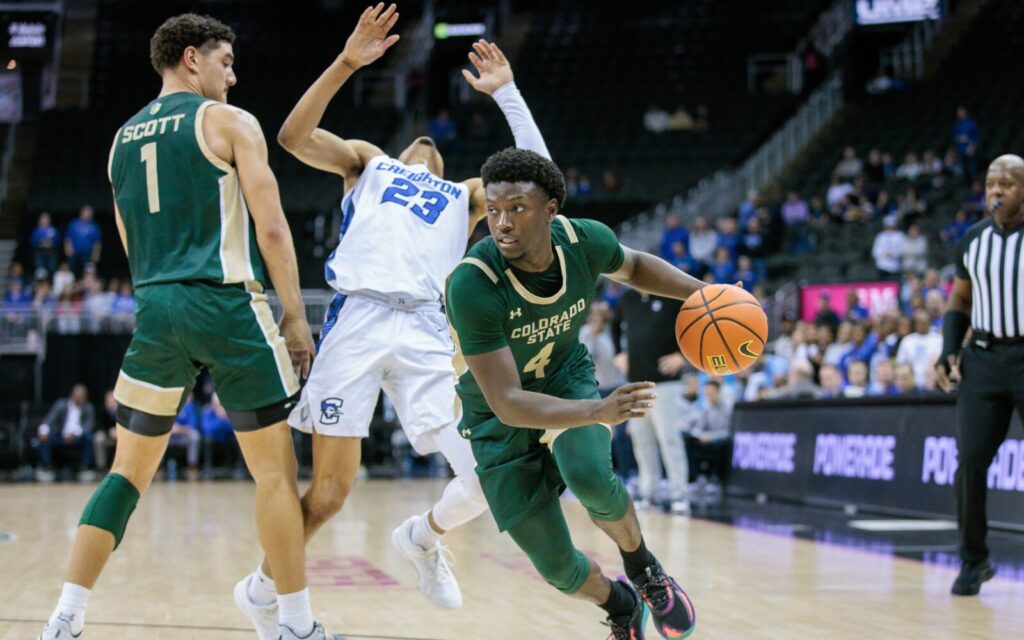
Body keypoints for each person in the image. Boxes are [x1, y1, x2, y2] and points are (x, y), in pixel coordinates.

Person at [234, 7, 553, 631]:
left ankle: (425, 538)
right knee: (327, 495)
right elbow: (293, 137)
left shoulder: (465, 195)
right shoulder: (368, 162)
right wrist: (348, 61)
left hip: (427, 332)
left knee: (490, 476)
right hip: (358, 319)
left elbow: (542, 182)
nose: (425, 143)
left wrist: (509, 95)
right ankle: (264, 591)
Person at [38, 14, 323, 640]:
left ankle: (65, 617)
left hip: (156, 308)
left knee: (125, 473)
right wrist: (295, 316)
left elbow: (127, 239)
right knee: (275, 475)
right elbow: (271, 227)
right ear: (190, 58)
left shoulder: (119, 139)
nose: (233, 74)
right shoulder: (228, 122)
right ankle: (295, 626)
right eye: (225, 61)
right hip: (224, 304)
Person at [446, 147, 699, 638]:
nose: (501, 222)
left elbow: (635, 265)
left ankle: (644, 570)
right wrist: (599, 409)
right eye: (493, 209)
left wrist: (702, 293)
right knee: (558, 568)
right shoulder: (472, 285)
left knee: (589, 478)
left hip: (564, 376)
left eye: (517, 207)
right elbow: (508, 402)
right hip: (498, 416)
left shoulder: (585, 241)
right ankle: (622, 606)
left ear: (550, 210)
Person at [935, 154, 1024, 597]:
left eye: (1007, 183)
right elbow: (959, 302)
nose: (996, 191)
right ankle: (974, 561)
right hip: (984, 359)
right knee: (969, 462)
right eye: (991, 183)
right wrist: (948, 351)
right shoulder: (972, 241)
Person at [615, 287, 691, 515]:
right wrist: (618, 353)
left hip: (666, 382)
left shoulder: (671, 297)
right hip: (636, 382)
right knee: (641, 439)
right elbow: (613, 325)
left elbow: (693, 327)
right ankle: (651, 493)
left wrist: (683, 355)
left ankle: (680, 494)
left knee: (669, 438)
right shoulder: (627, 298)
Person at [34, 384, 96, 482]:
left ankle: (85, 468)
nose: (80, 399)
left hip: (78, 437)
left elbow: (88, 426)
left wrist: (75, 434)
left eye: (83, 397)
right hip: (60, 436)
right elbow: (49, 420)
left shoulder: (88, 408)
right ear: (73, 395)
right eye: (78, 396)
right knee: (44, 438)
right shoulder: (61, 405)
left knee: (89, 437)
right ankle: (47, 468)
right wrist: (43, 431)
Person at [63, 205, 102, 275]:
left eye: (89, 213)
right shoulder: (74, 224)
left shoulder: (94, 226)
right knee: (73, 271)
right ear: (82, 213)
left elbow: (97, 242)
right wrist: (67, 249)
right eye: (86, 212)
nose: (87, 214)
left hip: (88, 254)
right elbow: (67, 238)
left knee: (88, 271)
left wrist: (96, 253)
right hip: (74, 253)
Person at [30, 212, 61, 276]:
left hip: (51, 252)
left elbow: (57, 240)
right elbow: (32, 241)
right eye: (43, 219)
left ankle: (50, 282)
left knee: (52, 268)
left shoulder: (53, 230)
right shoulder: (37, 231)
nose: (44, 221)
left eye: (46, 219)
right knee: (40, 269)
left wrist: (51, 243)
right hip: (40, 252)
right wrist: (40, 243)